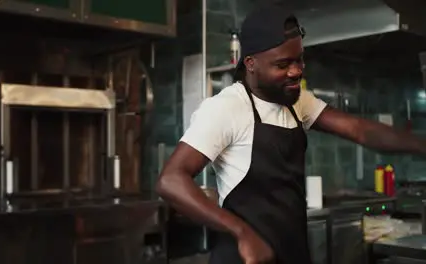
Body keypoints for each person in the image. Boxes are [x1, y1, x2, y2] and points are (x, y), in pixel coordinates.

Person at [156, 2, 426, 264]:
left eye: (299, 60)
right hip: (245, 256)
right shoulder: (226, 108)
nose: (296, 71)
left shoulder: (296, 101)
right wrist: (242, 233)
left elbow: (359, 130)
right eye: (283, 64)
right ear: (250, 63)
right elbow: (170, 180)